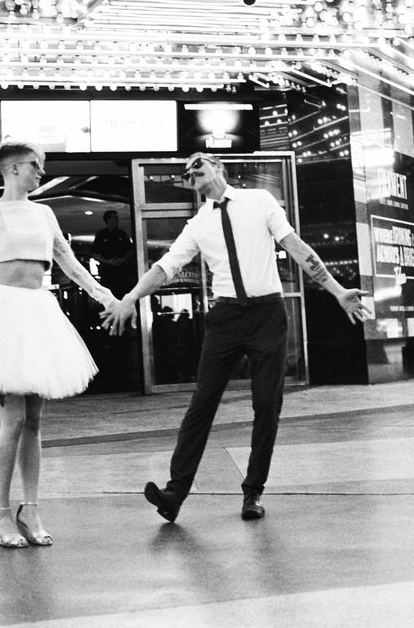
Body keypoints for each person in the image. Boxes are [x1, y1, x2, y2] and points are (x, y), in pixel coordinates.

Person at [101, 153, 371, 522]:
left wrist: (338, 290)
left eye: (198, 164)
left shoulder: (259, 200)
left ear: (219, 169)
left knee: (266, 405)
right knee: (201, 404)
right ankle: (174, 494)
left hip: (267, 315)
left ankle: (253, 493)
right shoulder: (197, 223)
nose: (191, 172)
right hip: (225, 318)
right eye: (187, 171)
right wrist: (131, 297)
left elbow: (295, 246)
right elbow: (165, 267)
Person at [0, 140, 116, 548]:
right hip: (0, 315)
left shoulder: (45, 212)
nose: (41, 172)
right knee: (12, 420)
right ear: (13, 168)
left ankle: (29, 507)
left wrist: (105, 296)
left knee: (34, 421)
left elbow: (68, 261)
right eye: (36, 166)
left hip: (38, 313)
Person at [91, 209, 135, 298]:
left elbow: (131, 251)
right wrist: (107, 262)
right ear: (108, 220)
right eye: (115, 218)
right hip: (107, 274)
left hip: (122, 273)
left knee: (124, 295)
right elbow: (94, 254)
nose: (117, 220)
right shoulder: (101, 235)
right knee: (109, 297)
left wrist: (122, 260)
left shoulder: (121, 234)